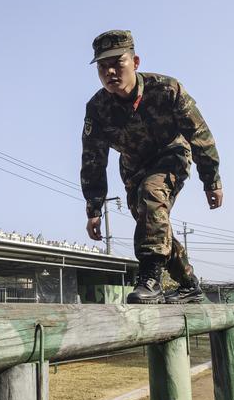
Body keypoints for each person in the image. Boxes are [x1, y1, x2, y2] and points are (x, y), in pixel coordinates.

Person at [80, 30, 223, 304]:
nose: (110, 71)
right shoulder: (97, 109)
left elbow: (200, 135)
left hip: (171, 154)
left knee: (151, 194)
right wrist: (94, 209)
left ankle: (149, 279)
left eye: (117, 63)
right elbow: (93, 160)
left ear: (135, 62)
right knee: (152, 223)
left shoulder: (167, 90)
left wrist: (211, 180)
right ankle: (188, 283)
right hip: (133, 167)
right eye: (102, 67)